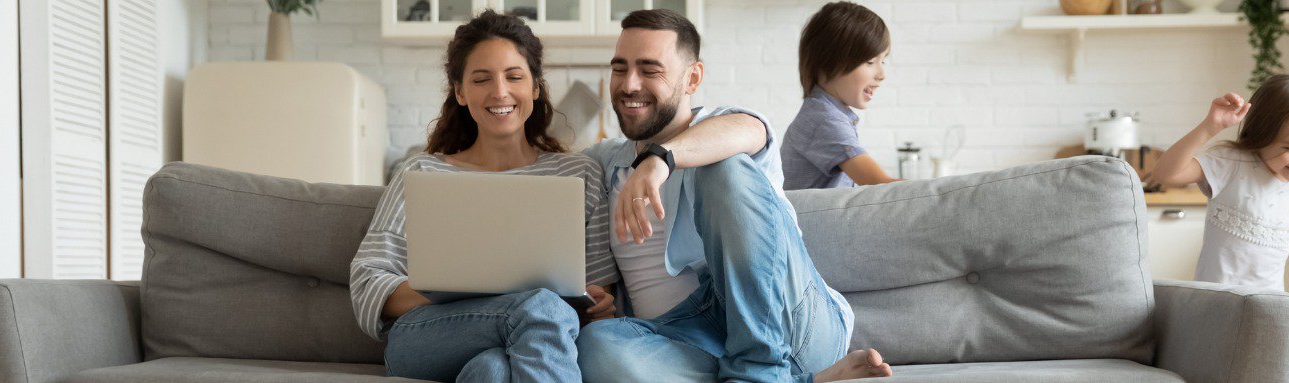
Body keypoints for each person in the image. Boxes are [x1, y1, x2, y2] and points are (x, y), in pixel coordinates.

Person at [572, 9, 892, 383]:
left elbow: (748, 129)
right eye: (620, 68)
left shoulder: (724, 126)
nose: (629, 84)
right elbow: (543, 173)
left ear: (693, 78)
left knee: (723, 166)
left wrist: (661, 159)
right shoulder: (603, 162)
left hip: (794, 325)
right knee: (596, 346)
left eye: (649, 70)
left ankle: (760, 370)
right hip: (689, 337)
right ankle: (797, 380)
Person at [346, 11, 617, 382]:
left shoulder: (579, 174)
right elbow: (367, 283)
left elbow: (600, 288)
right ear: (460, 92)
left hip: (531, 337)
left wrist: (599, 301)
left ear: (536, 87)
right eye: (481, 79)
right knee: (539, 308)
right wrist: (456, 291)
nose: (500, 92)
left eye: (514, 76)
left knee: (491, 371)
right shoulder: (421, 173)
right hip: (427, 337)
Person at [1145, 73, 1289, 383]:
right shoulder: (1230, 163)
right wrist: (1210, 127)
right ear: (1262, 135)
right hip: (1223, 310)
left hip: (1273, 310)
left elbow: (1280, 217)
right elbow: (1165, 173)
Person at [781, 1, 901, 190]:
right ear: (827, 62)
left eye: (883, 61)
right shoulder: (824, 120)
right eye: (870, 62)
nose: (882, 74)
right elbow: (882, 186)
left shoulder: (827, 114)